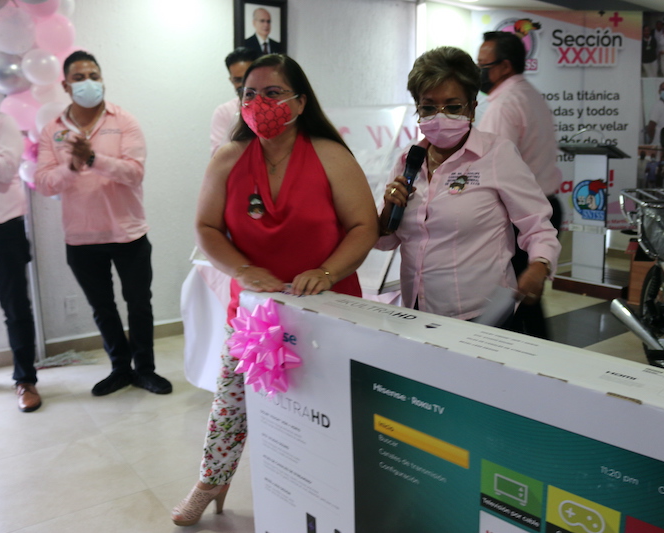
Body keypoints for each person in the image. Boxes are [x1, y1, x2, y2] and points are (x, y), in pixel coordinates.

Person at [171, 54, 378, 527]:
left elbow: (364, 226)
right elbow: (206, 227)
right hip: (254, 311)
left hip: (327, 307)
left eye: (272, 93)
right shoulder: (229, 158)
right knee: (231, 402)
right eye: (249, 94)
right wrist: (242, 269)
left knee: (326, 408)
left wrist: (327, 271)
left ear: (300, 102)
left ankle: (336, 496)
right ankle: (212, 481)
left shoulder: (330, 155)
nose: (259, 103)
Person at [376, 46, 560, 324]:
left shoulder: (496, 155)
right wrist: (388, 213)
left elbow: (537, 225)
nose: (440, 116)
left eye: (453, 107)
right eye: (428, 107)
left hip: (483, 315)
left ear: (472, 108)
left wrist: (539, 265)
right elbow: (387, 242)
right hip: (417, 309)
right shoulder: (408, 160)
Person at [35, 51, 172, 397]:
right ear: (65, 85)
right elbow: (44, 183)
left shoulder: (123, 120)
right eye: (79, 78)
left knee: (139, 304)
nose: (88, 83)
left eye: (94, 76)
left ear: (102, 79)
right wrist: (73, 166)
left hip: (128, 233)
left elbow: (134, 173)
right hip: (81, 238)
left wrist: (93, 158)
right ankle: (120, 369)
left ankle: (145, 370)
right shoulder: (52, 131)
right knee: (102, 309)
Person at [475, 31, 563, 339]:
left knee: (514, 298)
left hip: (520, 214)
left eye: (483, 65)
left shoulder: (503, 106)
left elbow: (493, 169)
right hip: (546, 205)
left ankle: (518, 357)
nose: (479, 71)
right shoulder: (531, 95)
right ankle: (541, 355)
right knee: (528, 298)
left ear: (505, 66)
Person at [0, 111, 41, 412]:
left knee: (16, 308)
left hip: (3, 227)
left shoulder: (2, 122)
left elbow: (5, 168)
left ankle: (25, 380)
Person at [210, 47, 260, 157]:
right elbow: (218, 157)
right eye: (238, 80)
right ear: (231, 80)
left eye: (248, 77)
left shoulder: (272, 107)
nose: (244, 84)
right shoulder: (223, 112)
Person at [646, 81, 664, 145]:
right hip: (659, 143)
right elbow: (651, 127)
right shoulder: (657, 106)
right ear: (659, 91)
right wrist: (652, 140)